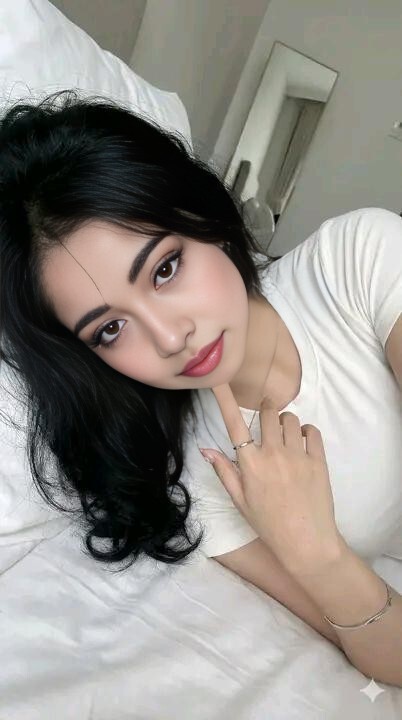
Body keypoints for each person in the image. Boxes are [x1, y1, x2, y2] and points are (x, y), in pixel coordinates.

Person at [1, 90, 402, 686]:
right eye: (110, 329)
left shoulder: (356, 263)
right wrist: (316, 554)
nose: (170, 338)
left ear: (202, 216)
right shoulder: (196, 473)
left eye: (165, 268)